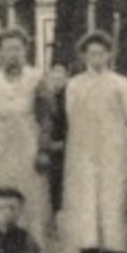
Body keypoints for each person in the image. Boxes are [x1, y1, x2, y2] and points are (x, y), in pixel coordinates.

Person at [62, 31, 127, 253]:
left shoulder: (120, 83)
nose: (97, 58)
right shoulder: (75, 84)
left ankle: (112, 249)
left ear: (109, 54)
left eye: (101, 53)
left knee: (111, 193)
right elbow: (72, 115)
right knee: (86, 193)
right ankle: (87, 249)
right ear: (84, 56)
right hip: (84, 144)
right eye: (92, 53)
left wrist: (118, 139)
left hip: (112, 144)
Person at [0, 28, 52, 244]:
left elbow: (46, 116)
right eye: (7, 49)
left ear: (25, 51)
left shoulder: (37, 78)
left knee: (31, 190)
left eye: (17, 48)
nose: (13, 54)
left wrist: (43, 149)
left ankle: (33, 244)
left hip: (28, 137)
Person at [41, 64, 71, 216]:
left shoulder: (68, 100)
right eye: (53, 78)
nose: (56, 82)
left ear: (67, 80)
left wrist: (63, 144)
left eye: (60, 78)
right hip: (43, 146)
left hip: (63, 148)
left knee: (60, 182)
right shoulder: (43, 98)